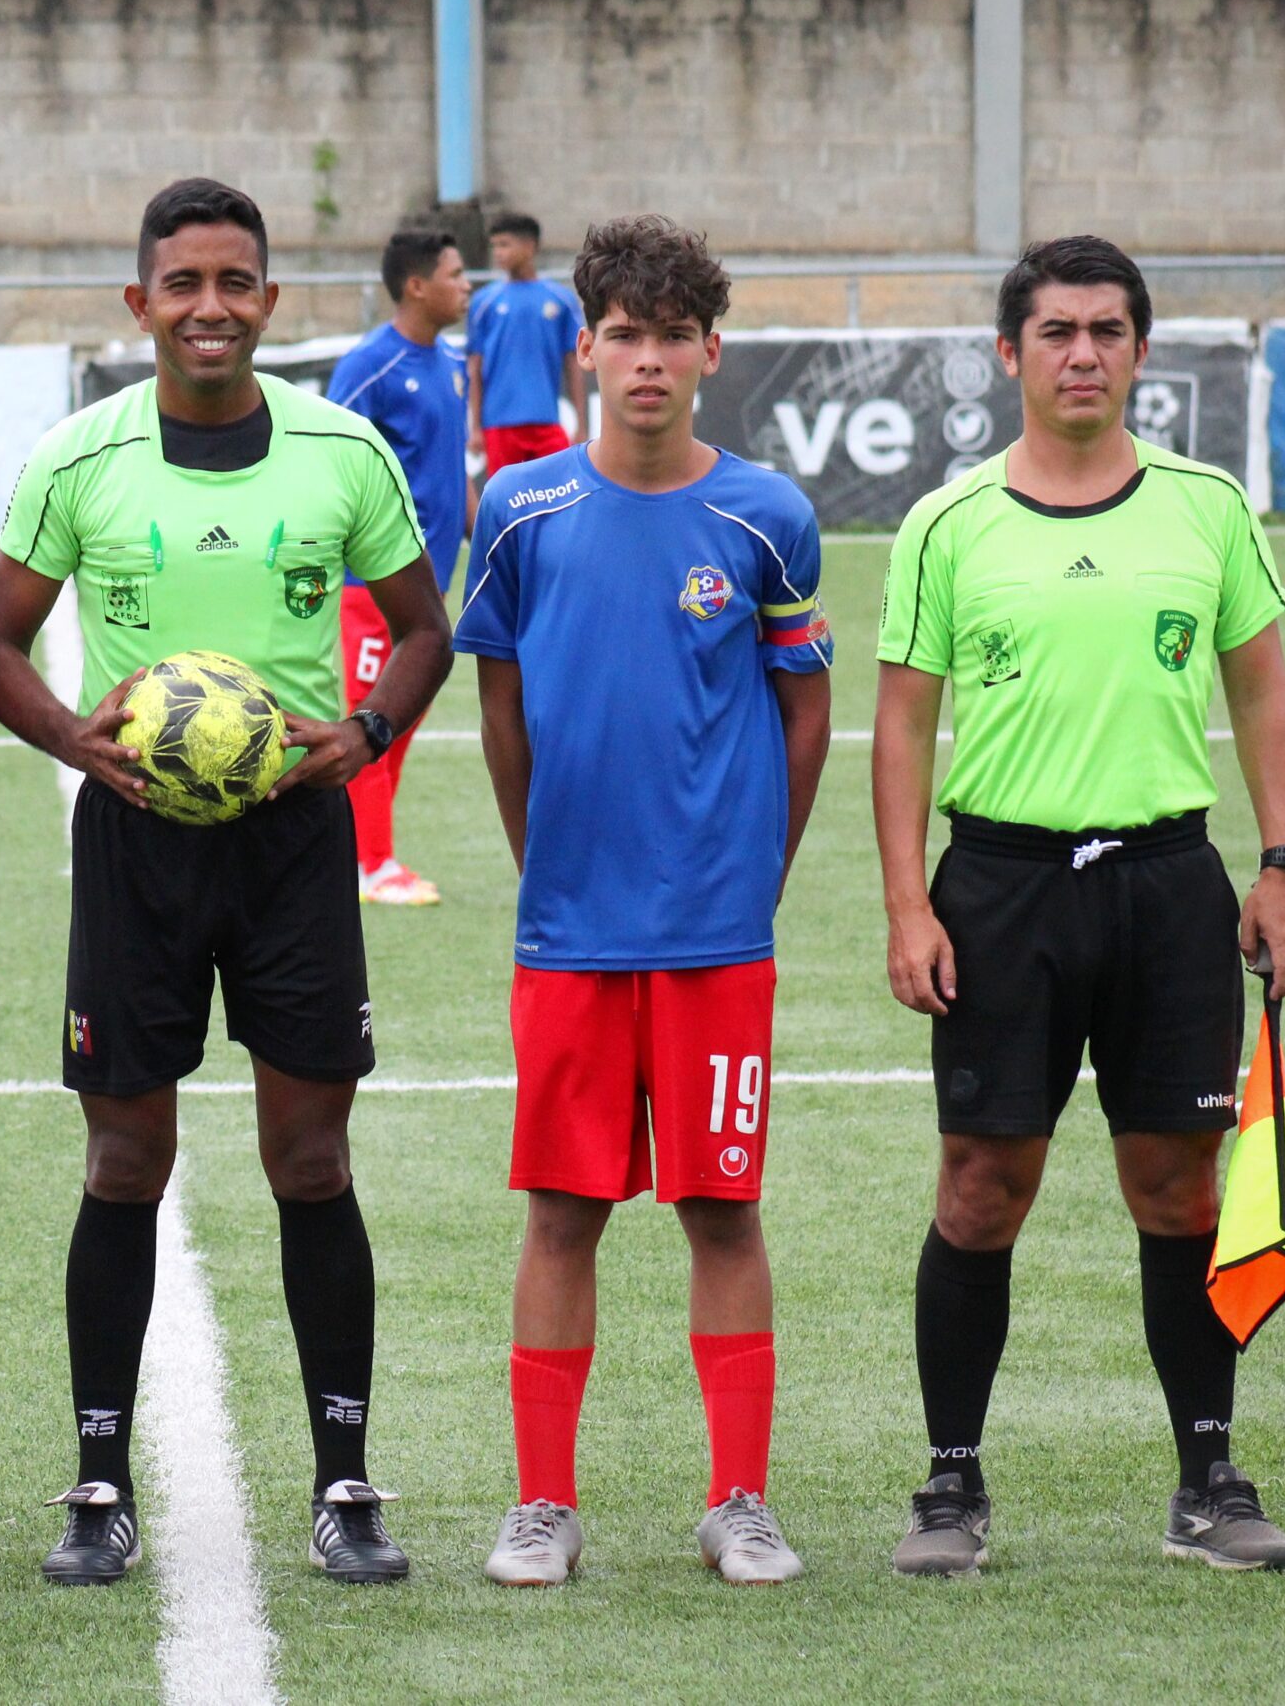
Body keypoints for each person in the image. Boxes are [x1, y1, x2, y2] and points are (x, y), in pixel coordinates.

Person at [0, 177, 453, 1587]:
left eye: (235, 283)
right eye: (182, 284)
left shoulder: (341, 450)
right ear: (140, 305)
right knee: (125, 1157)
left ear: (269, 301)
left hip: (294, 841)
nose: (210, 309)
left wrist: (359, 735)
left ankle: (346, 1477)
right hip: (134, 839)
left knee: (312, 1157)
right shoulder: (79, 459)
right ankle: (97, 1478)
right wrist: (76, 741)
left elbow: (424, 631)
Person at [873, 235, 1285, 1577]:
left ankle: (1209, 1477)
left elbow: (1263, 692)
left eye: (1107, 331)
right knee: (981, 1181)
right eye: (1055, 331)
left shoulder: (1205, 508)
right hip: (998, 887)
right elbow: (900, 728)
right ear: (1011, 353)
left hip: (1169, 885)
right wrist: (908, 903)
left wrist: (1283, 861)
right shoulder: (949, 525)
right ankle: (951, 1483)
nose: (1081, 354)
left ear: (1139, 351)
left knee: (1178, 1184)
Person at [459, 215, 832, 1589]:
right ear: (585, 348)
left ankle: (739, 1496)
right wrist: (539, 856)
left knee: (723, 1211)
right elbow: (501, 708)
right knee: (562, 1209)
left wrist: (754, 870)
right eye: (624, 332)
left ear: (712, 351)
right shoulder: (522, 510)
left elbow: (806, 713)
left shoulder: (767, 516)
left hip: (715, 938)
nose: (649, 359)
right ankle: (540, 1503)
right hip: (569, 932)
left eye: (675, 334)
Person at [327, 228, 473, 908]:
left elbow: (450, 471)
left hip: (429, 592)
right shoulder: (371, 366)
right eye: (456, 272)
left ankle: (363, 852)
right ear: (418, 285)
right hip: (372, 586)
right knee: (370, 716)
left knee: (402, 715)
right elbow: (327, 465)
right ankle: (370, 863)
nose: (466, 284)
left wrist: (488, 533)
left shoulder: (451, 363)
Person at [466, 212, 589, 480]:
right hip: (499, 425)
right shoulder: (483, 303)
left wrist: (581, 424)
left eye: (505, 244)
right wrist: (474, 427)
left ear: (530, 246)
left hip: (547, 421)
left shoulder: (561, 300)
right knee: (506, 503)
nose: (498, 253)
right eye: (495, 246)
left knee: (555, 499)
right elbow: (474, 368)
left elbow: (574, 364)